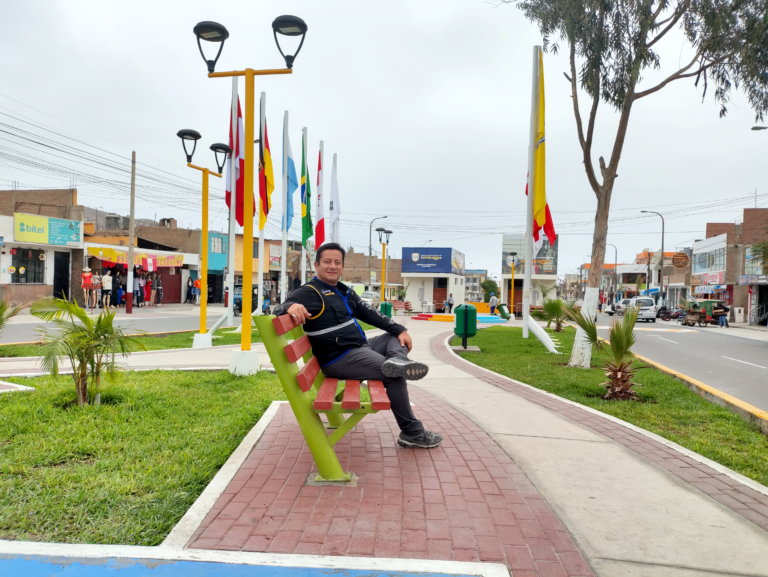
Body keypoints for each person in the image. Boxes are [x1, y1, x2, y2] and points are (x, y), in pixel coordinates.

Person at [275, 242, 442, 449]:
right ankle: (412, 432)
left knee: (393, 337)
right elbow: (279, 307)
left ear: (343, 266)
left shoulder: (343, 290)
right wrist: (292, 305)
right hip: (339, 357)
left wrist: (399, 329)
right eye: (327, 262)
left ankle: (398, 359)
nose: (332, 266)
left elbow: (369, 313)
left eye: (337, 262)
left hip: (359, 347)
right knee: (395, 375)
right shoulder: (311, 292)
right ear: (317, 265)